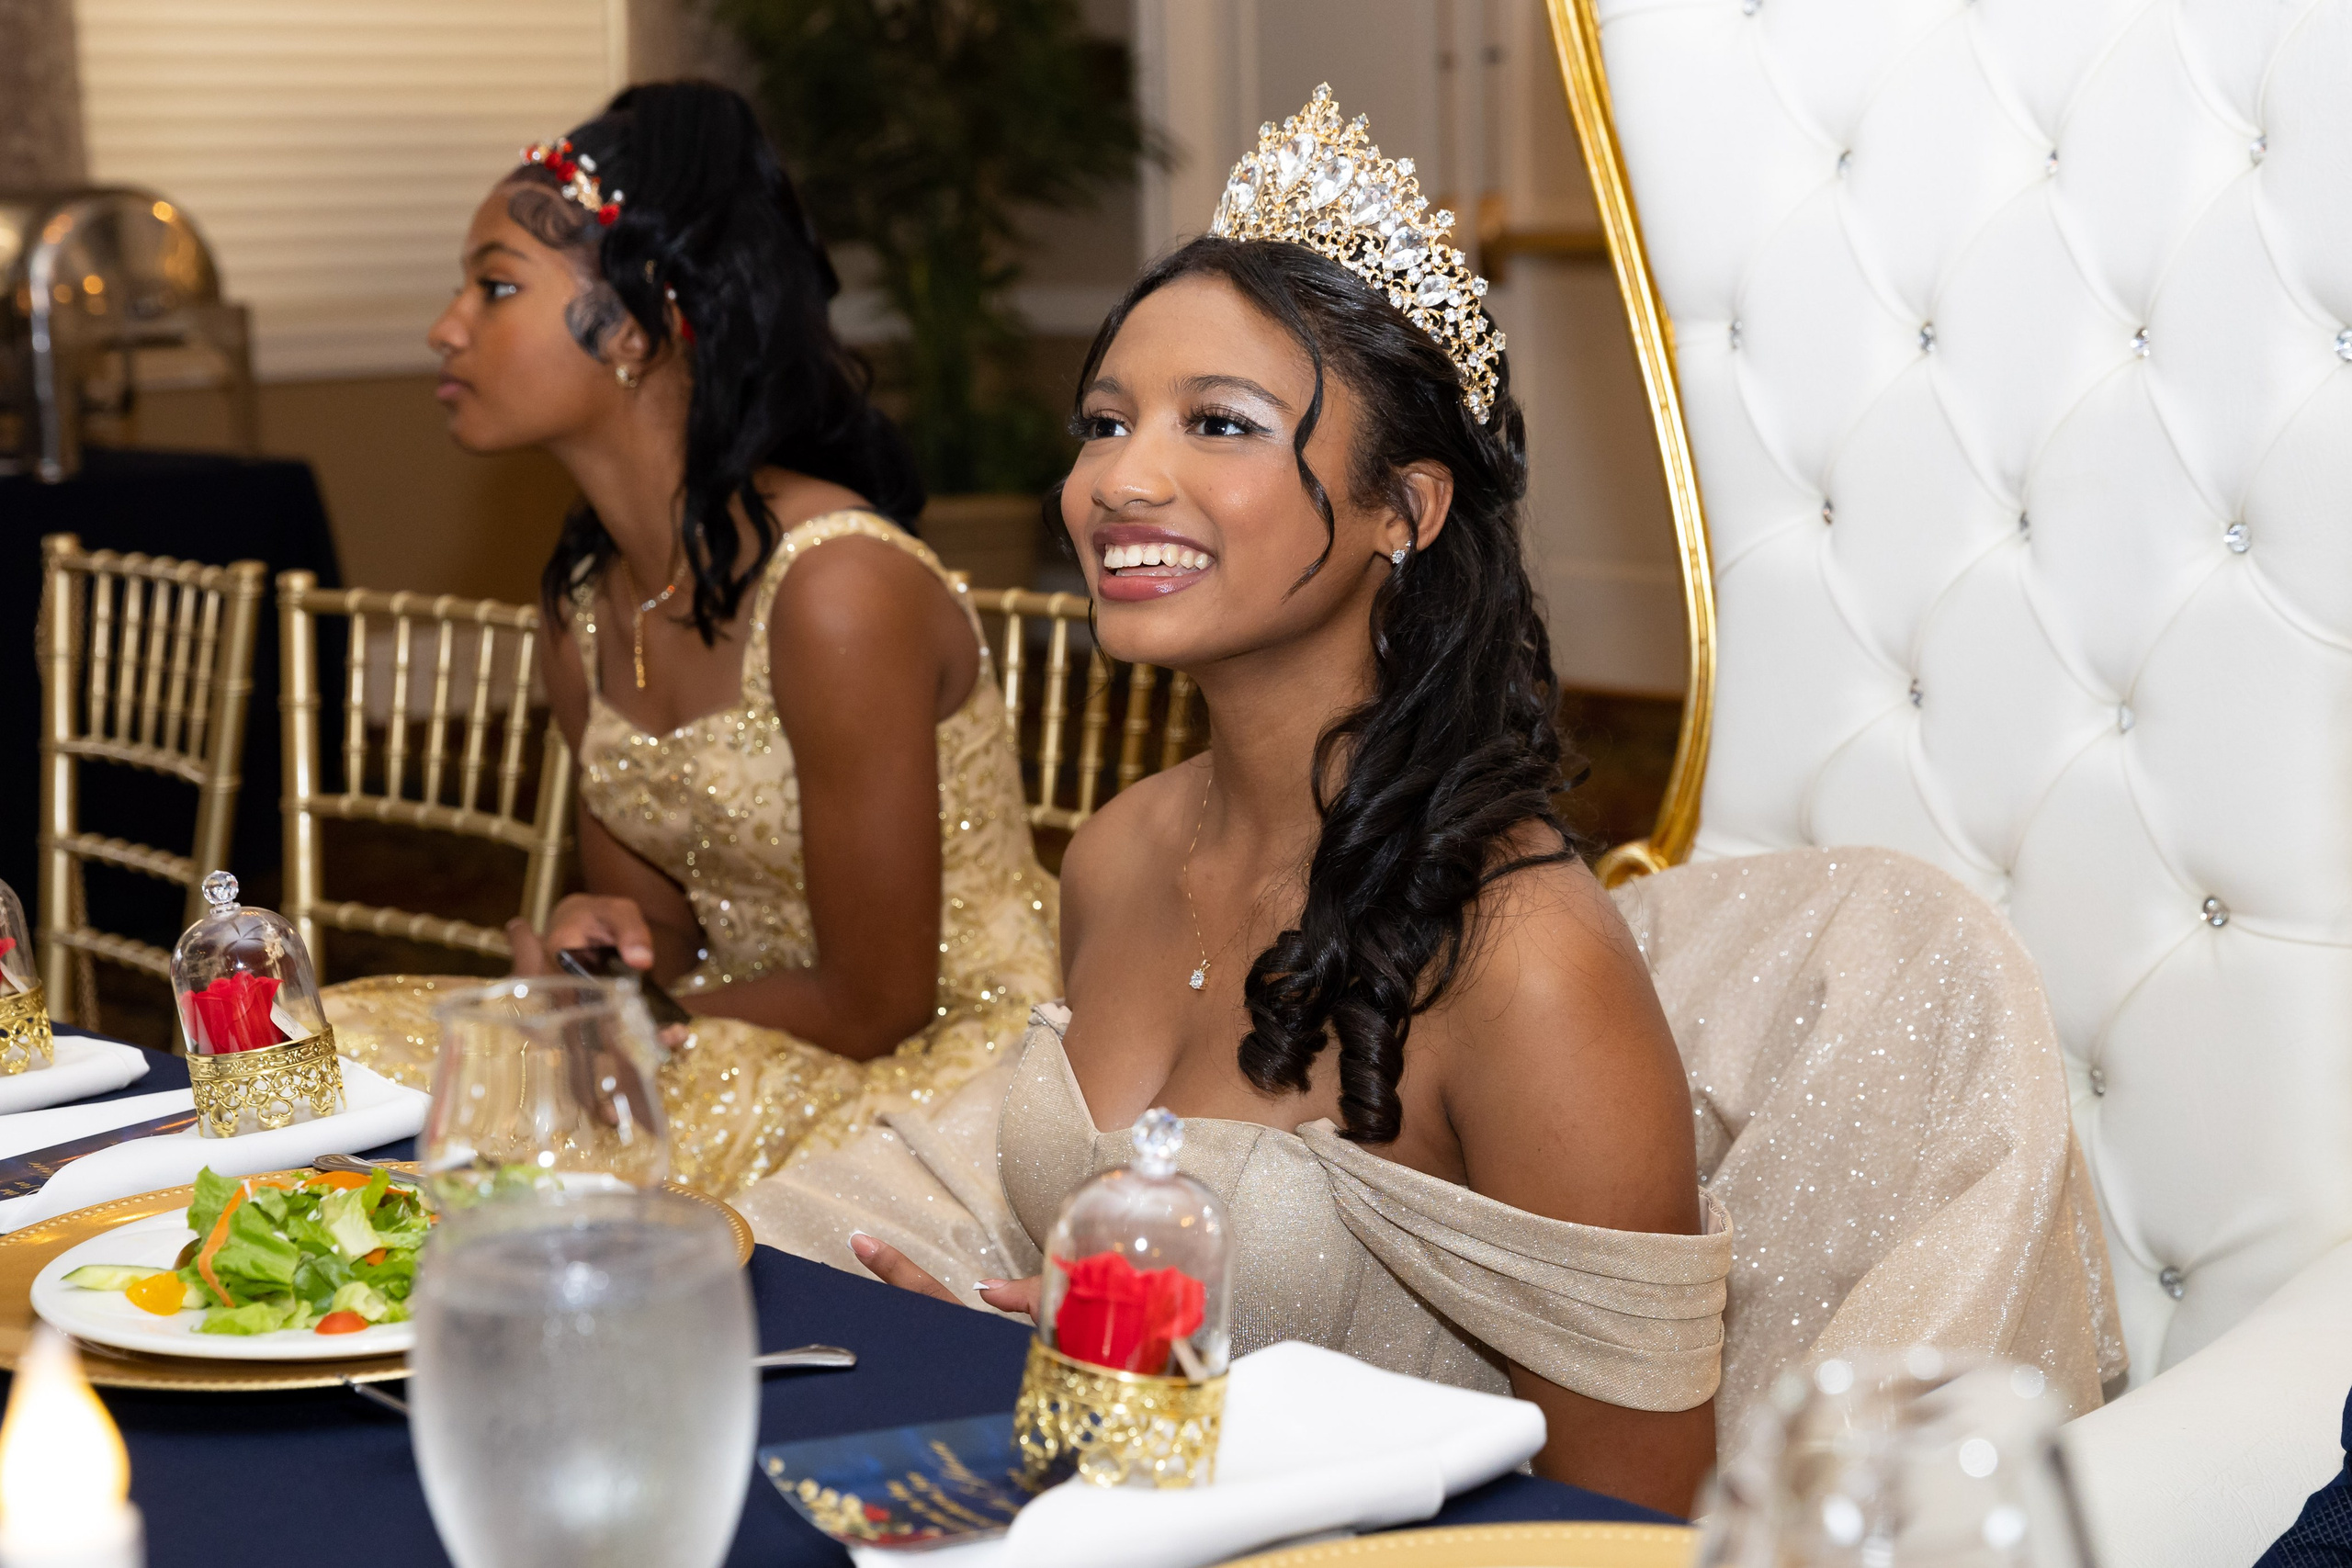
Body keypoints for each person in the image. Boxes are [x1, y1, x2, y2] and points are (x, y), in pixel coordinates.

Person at [745, 87, 2122, 1515]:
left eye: (1217, 423)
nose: (1119, 479)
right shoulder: (1115, 851)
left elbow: (1632, 1508)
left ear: (1405, 510)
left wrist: (1222, 1429)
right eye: (1105, 420)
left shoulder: (1521, 963)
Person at [322, 82, 1060, 1196]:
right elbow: (656, 938)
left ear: (632, 323)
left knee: (511, 1132)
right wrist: (596, 953)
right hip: (729, 1028)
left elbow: (879, 1002)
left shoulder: (836, 588)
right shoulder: (582, 610)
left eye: (496, 287)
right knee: (324, 1045)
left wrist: (597, 1027)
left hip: (940, 1074)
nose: (447, 327)